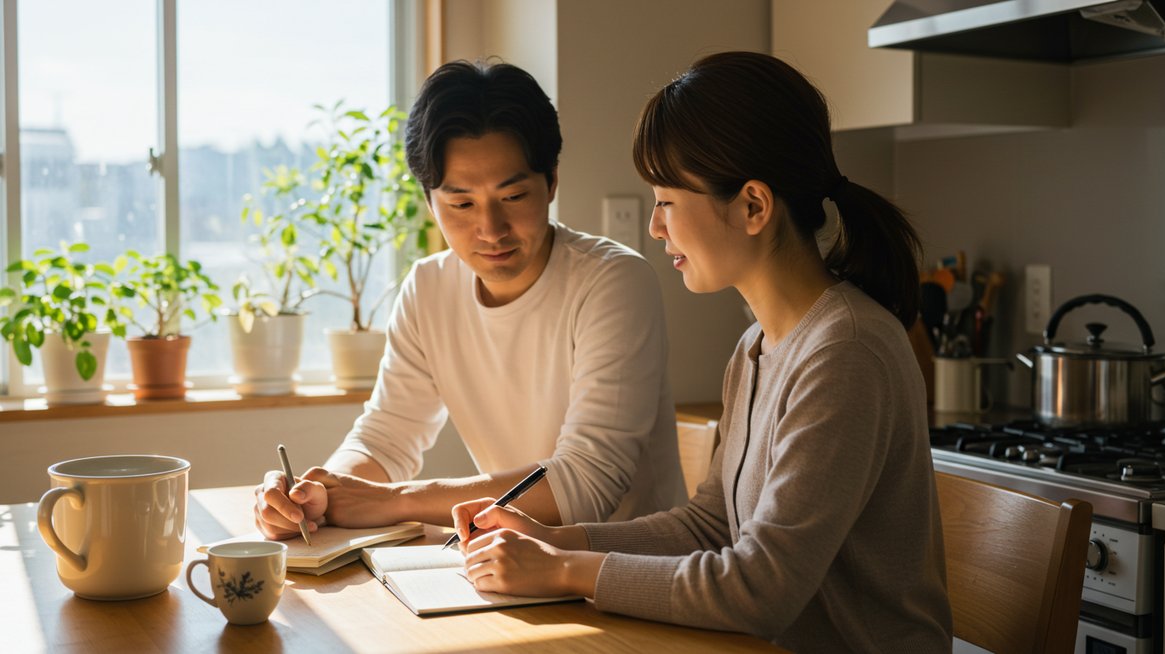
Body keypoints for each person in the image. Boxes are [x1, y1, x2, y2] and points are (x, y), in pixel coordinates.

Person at [448, 52, 953, 652]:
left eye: (666, 201)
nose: (656, 228)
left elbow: (761, 588)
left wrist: (559, 570)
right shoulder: (756, 348)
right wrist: (555, 541)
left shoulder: (846, 351)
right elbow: (710, 525)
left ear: (753, 206)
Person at [253, 60, 687, 538]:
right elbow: (386, 438)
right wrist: (319, 496)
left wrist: (393, 502)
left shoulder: (613, 282)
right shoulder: (428, 288)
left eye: (514, 196)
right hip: (508, 564)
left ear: (552, 182)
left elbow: (586, 485)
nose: (491, 229)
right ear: (429, 201)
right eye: (461, 204)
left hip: (627, 572)